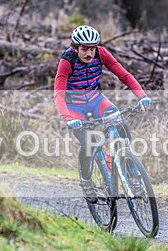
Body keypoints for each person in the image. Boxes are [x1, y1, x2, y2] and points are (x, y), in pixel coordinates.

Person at [53, 25, 151, 203]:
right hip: (74, 107)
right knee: (89, 142)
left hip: (96, 100)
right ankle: (86, 181)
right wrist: (68, 119)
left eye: (92, 48)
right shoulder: (67, 61)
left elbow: (125, 75)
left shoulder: (101, 53)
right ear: (75, 48)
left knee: (120, 125)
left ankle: (132, 174)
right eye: (84, 49)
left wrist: (142, 96)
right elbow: (58, 95)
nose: (89, 53)